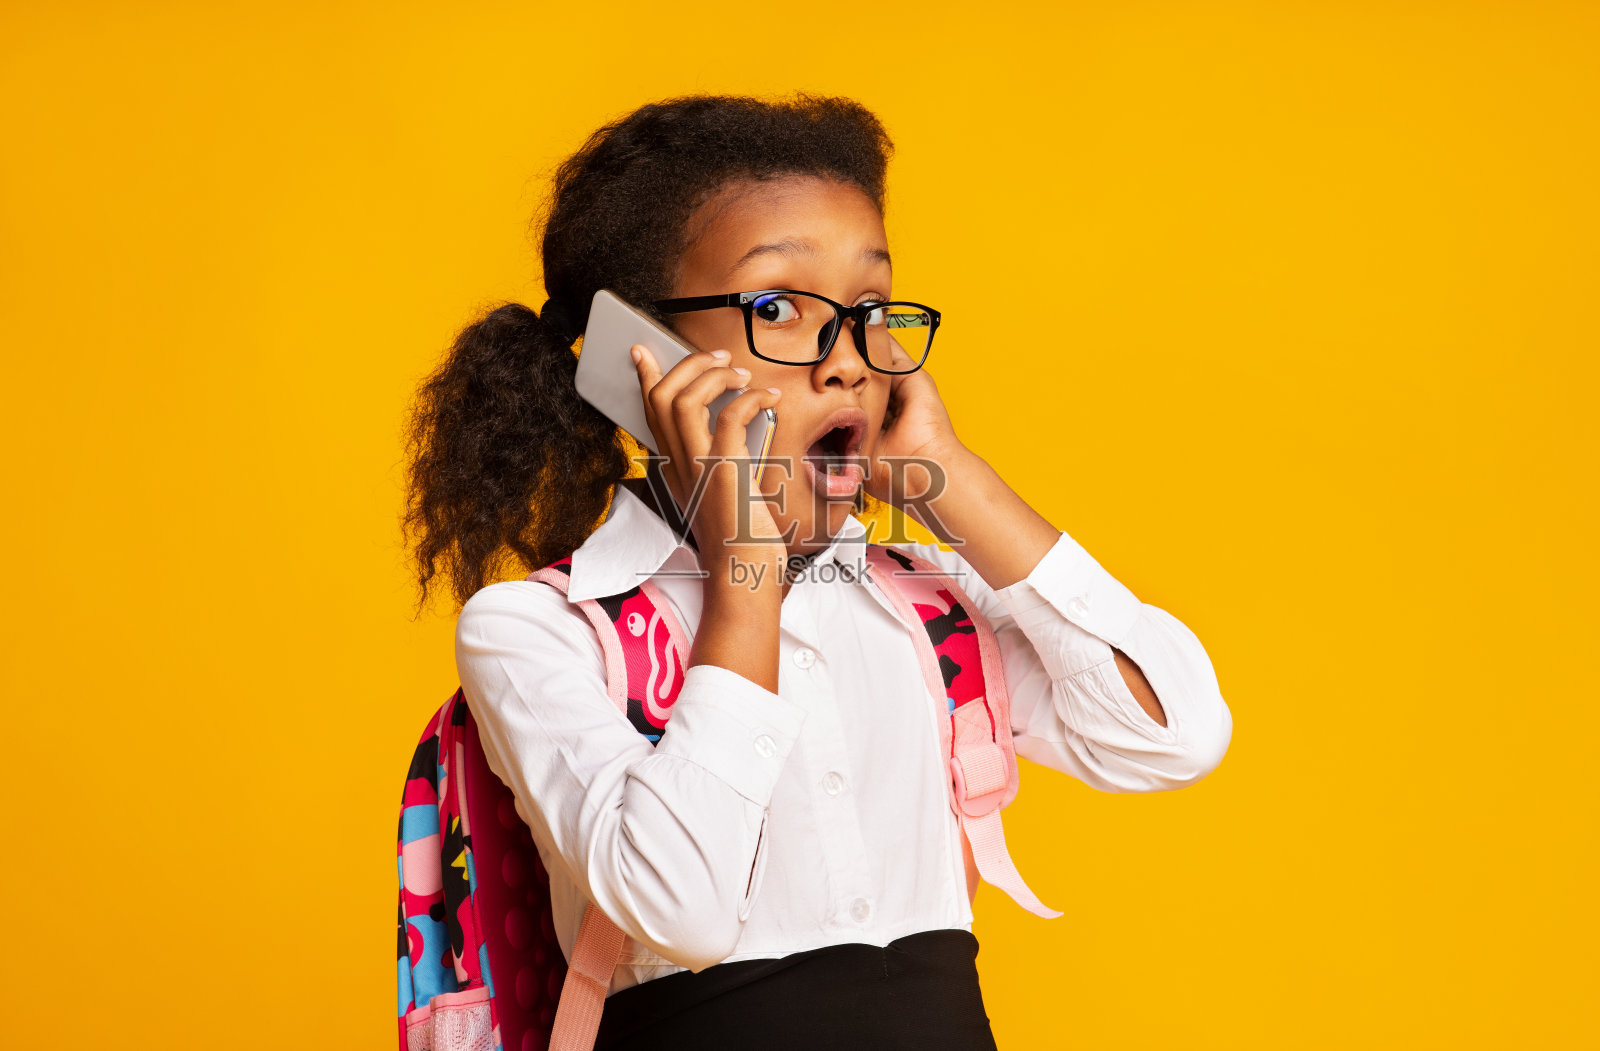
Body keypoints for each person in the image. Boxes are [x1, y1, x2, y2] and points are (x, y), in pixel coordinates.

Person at [403, 93, 1233, 1050]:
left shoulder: (922, 611)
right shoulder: (543, 627)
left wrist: (955, 478)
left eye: (870, 310)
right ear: (640, 362)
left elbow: (1171, 736)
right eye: (776, 307)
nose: (848, 359)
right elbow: (684, 909)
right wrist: (744, 560)